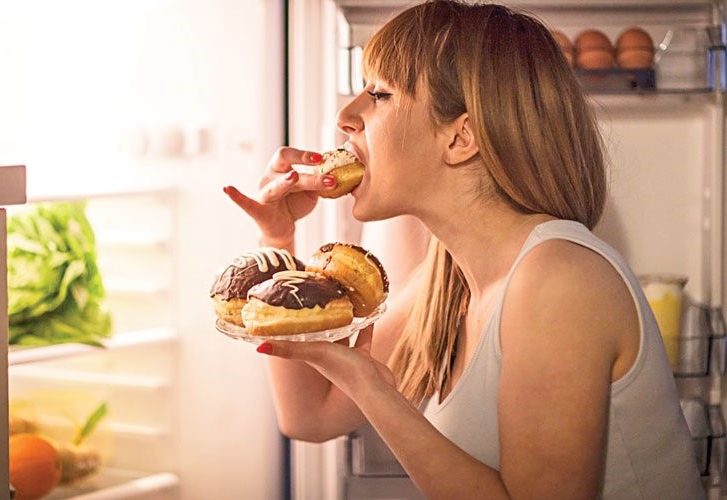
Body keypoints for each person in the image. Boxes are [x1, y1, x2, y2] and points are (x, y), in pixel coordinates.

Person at [223, 1, 704, 498]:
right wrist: (278, 242)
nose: (346, 116)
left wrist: (372, 388)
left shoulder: (560, 279)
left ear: (462, 137)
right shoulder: (447, 280)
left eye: (379, 95)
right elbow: (310, 416)